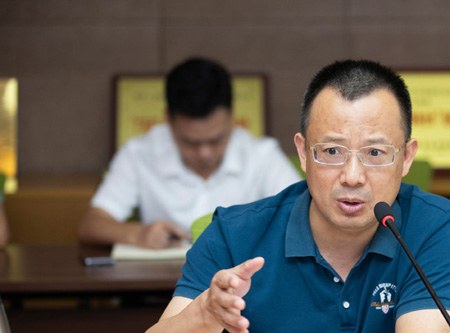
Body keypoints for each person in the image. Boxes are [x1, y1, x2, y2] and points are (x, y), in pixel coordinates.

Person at [134, 60, 450, 333]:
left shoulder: (433, 224)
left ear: (406, 157)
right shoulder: (233, 234)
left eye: (375, 152)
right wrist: (205, 313)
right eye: (331, 151)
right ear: (303, 153)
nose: (353, 176)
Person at [78, 57, 301, 249]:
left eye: (216, 140)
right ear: (168, 119)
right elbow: (91, 225)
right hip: (163, 282)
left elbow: (304, 216)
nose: (204, 153)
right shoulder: (139, 153)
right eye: (190, 142)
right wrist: (139, 235)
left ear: (232, 116)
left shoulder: (262, 155)